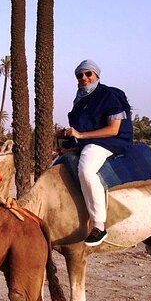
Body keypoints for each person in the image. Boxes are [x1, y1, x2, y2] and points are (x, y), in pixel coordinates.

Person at [59, 59, 133, 246]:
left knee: (86, 170)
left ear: (97, 75)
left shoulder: (109, 95)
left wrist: (81, 135)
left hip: (109, 141)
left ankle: (99, 225)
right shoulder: (81, 99)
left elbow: (113, 129)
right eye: (80, 75)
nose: (84, 77)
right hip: (88, 141)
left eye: (88, 73)